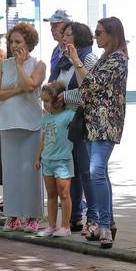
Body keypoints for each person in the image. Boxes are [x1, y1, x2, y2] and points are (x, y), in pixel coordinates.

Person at [62, 16, 128, 248]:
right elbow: (85, 86)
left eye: (99, 33)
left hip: (105, 122)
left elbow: (93, 83)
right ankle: (106, 223)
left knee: (95, 171)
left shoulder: (117, 58)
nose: (95, 37)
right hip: (92, 121)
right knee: (99, 173)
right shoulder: (103, 57)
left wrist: (77, 62)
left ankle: (104, 223)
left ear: (112, 35)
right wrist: (76, 63)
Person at [0, 22, 45, 232]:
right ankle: (12, 214)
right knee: (11, 172)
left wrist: (21, 66)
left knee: (31, 172)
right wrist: (14, 91)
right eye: (12, 42)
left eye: (18, 42)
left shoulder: (38, 64)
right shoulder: (4, 65)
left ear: (28, 43)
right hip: (8, 123)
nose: (14, 46)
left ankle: (32, 215)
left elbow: (30, 85)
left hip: (30, 124)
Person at [61, 22, 98, 233]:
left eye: (68, 34)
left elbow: (89, 90)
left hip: (84, 120)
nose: (63, 38)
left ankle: (93, 217)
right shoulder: (65, 60)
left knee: (86, 171)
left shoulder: (88, 58)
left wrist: (62, 96)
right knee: (73, 170)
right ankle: (75, 217)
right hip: (69, 120)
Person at [36, 82, 74, 237]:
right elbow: (43, 139)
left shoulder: (69, 115)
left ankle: (65, 226)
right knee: (51, 194)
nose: (44, 104)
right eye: (42, 101)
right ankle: (52, 226)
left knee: (64, 194)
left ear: (57, 100)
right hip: (47, 161)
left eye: (47, 101)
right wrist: (37, 157)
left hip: (63, 161)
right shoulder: (46, 118)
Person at [46, 10, 74, 82]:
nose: (51, 29)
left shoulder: (77, 50)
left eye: (55, 26)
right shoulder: (56, 50)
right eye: (51, 26)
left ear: (68, 27)